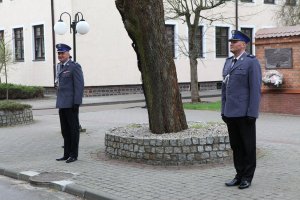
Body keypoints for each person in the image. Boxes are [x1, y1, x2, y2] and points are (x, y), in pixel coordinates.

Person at [221, 30, 262, 189]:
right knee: (236, 146)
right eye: (230, 41)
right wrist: (223, 110)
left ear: (243, 44)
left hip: (245, 114)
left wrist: (252, 113)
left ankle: (247, 177)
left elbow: (255, 89)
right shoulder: (228, 62)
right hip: (230, 113)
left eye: (234, 41)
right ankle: (238, 175)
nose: (231, 43)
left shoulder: (251, 62)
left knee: (248, 147)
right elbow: (225, 89)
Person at [55, 43, 84, 163]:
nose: (60, 55)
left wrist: (76, 102)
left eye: (62, 53)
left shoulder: (74, 66)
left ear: (68, 54)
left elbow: (79, 85)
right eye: (59, 53)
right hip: (62, 103)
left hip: (71, 103)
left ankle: (73, 154)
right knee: (65, 130)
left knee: (73, 130)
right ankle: (66, 154)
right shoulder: (59, 66)